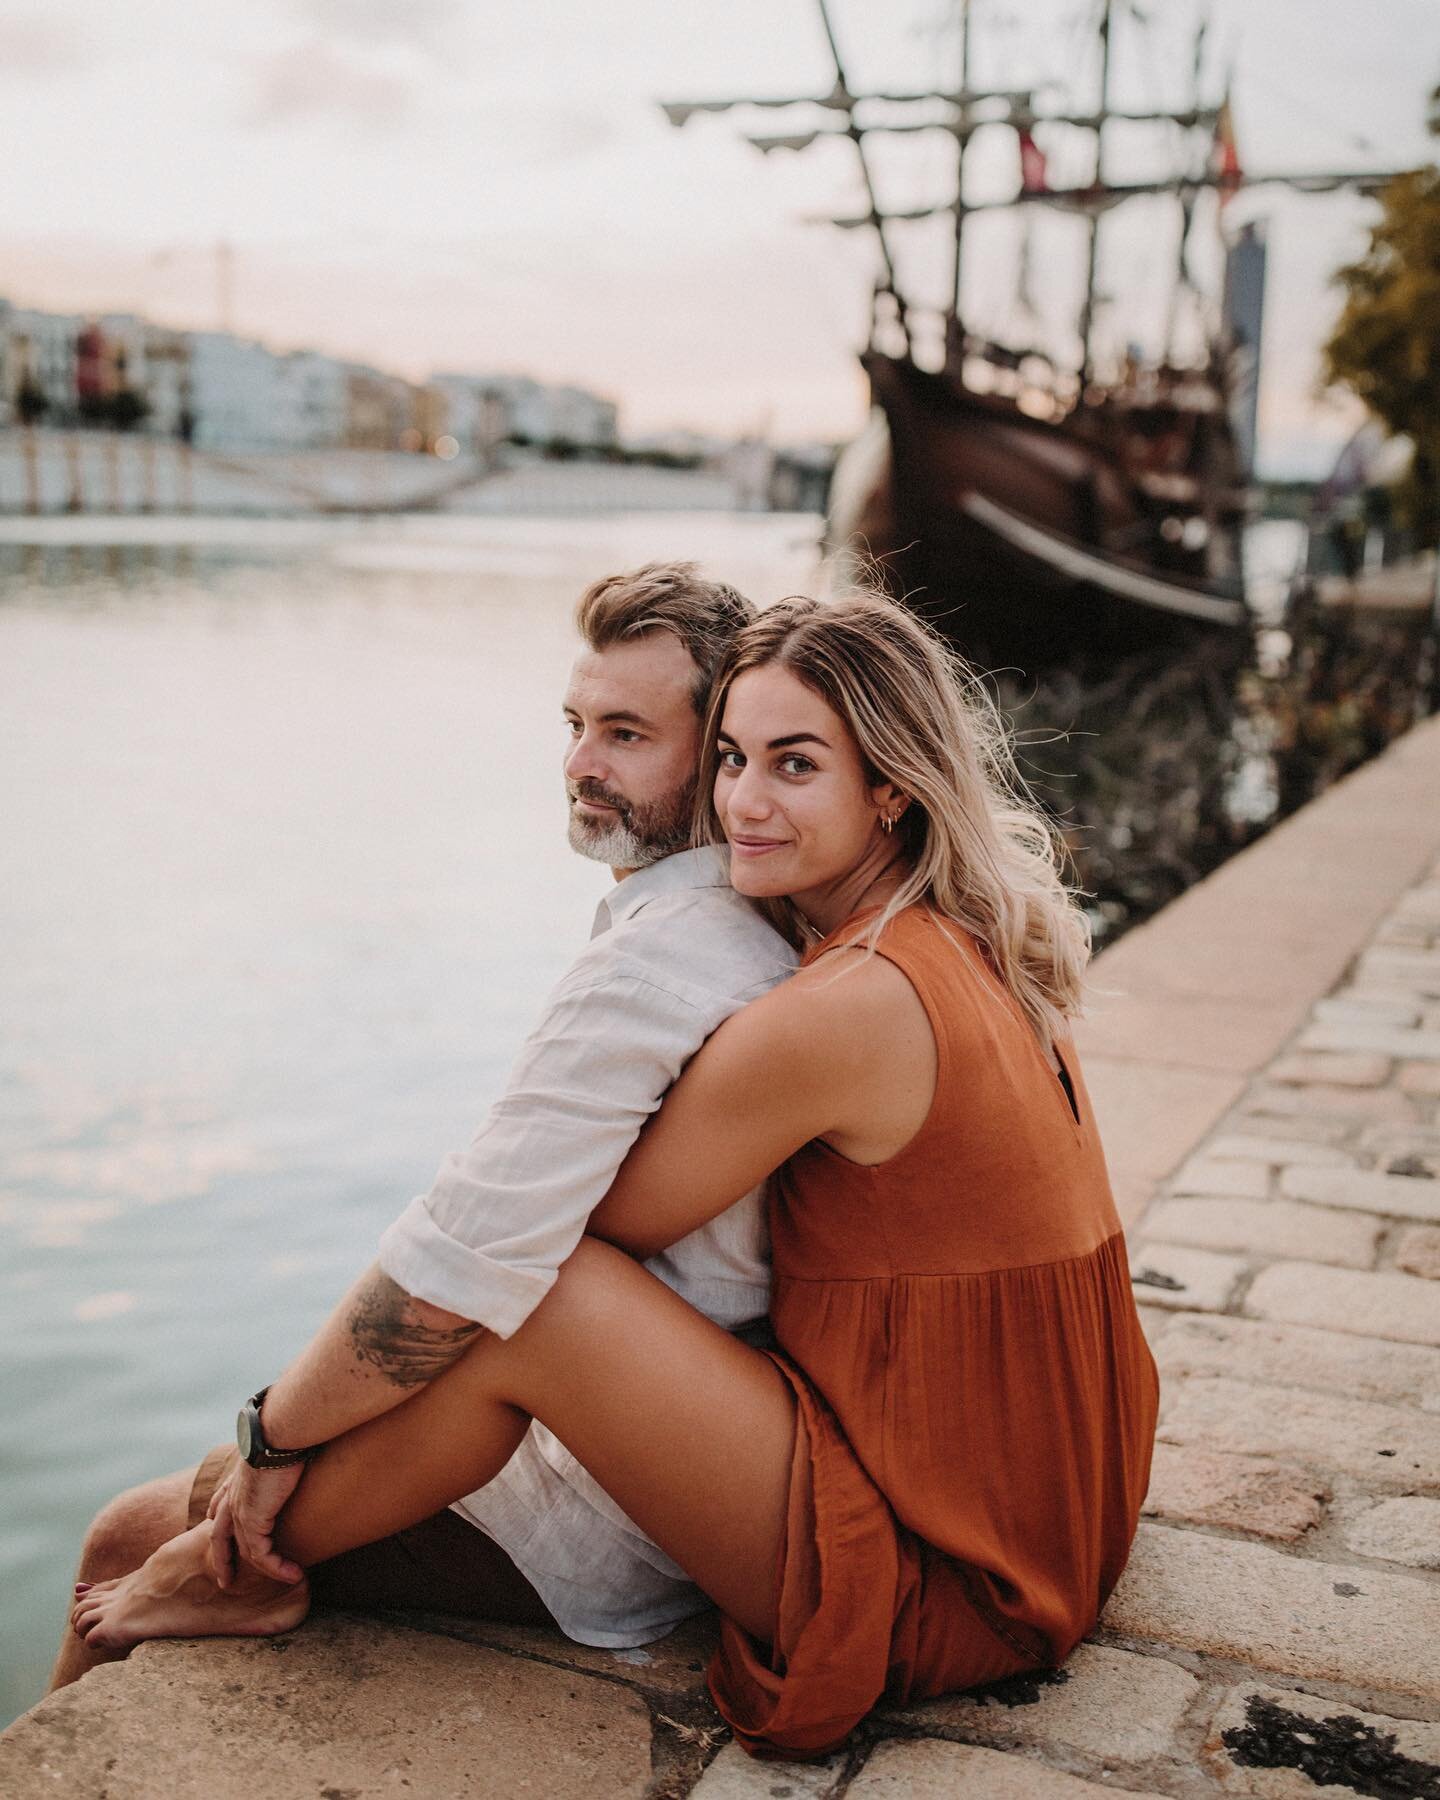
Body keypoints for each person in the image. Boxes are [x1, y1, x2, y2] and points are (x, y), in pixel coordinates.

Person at [70, 591, 1160, 1760]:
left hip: (952, 1565)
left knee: (539, 1292)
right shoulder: (958, 933)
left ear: (892, 785)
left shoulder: (841, 1008)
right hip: (1040, 1497)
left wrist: (273, 1446)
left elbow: (544, 1251)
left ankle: (236, 1566)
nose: (743, 800)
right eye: (736, 758)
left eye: (796, 765)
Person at [49, 562, 797, 1694]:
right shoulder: (742, 927)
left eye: (628, 735)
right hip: (632, 1432)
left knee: (125, 1534)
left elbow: (456, 1262)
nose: (580, 764)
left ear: (722, 754)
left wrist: (273, 1437)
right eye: (576, 724)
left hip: (605, 1516)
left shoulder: (660, 962)